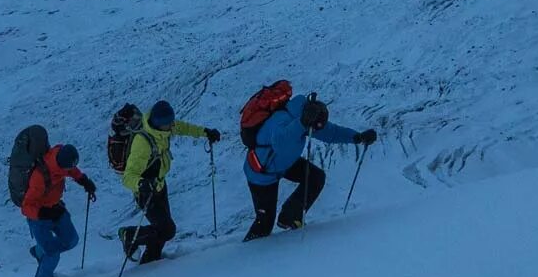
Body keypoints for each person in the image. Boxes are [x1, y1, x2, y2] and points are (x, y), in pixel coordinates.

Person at [242, 92, 374, 240]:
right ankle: (247, 254)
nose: (317, 130)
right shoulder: (280, 120)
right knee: (265, 224)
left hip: (282, 163)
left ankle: (290, 217)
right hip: (262, 174)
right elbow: (280, 142)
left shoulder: (307, 117)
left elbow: (331, 132)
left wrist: (357, 137)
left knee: (315, 177)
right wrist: (301, 124)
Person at [117, 99, 221, 264]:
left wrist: (205, 132)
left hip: (159, 186)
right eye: (169, 123)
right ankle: (129, 234)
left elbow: (183, 127)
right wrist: (141, 184)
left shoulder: (163, 129)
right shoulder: (142, 143)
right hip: (146, 192)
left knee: (162, 229)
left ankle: (151, 260)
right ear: (159, 123)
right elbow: (128, 176)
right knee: (167, 230)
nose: (172, 125)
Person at [21, 142, 98, 277]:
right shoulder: (39, 178)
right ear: (62, 165)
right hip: (38, 219)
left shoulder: (61, 161)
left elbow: (71, 170)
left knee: (72, 240)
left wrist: (83, 180)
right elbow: (26, 207)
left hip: (56, 208)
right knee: (52, 254)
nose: (71, 169)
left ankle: (39, 251)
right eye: (69, 167)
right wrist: (43, 213)